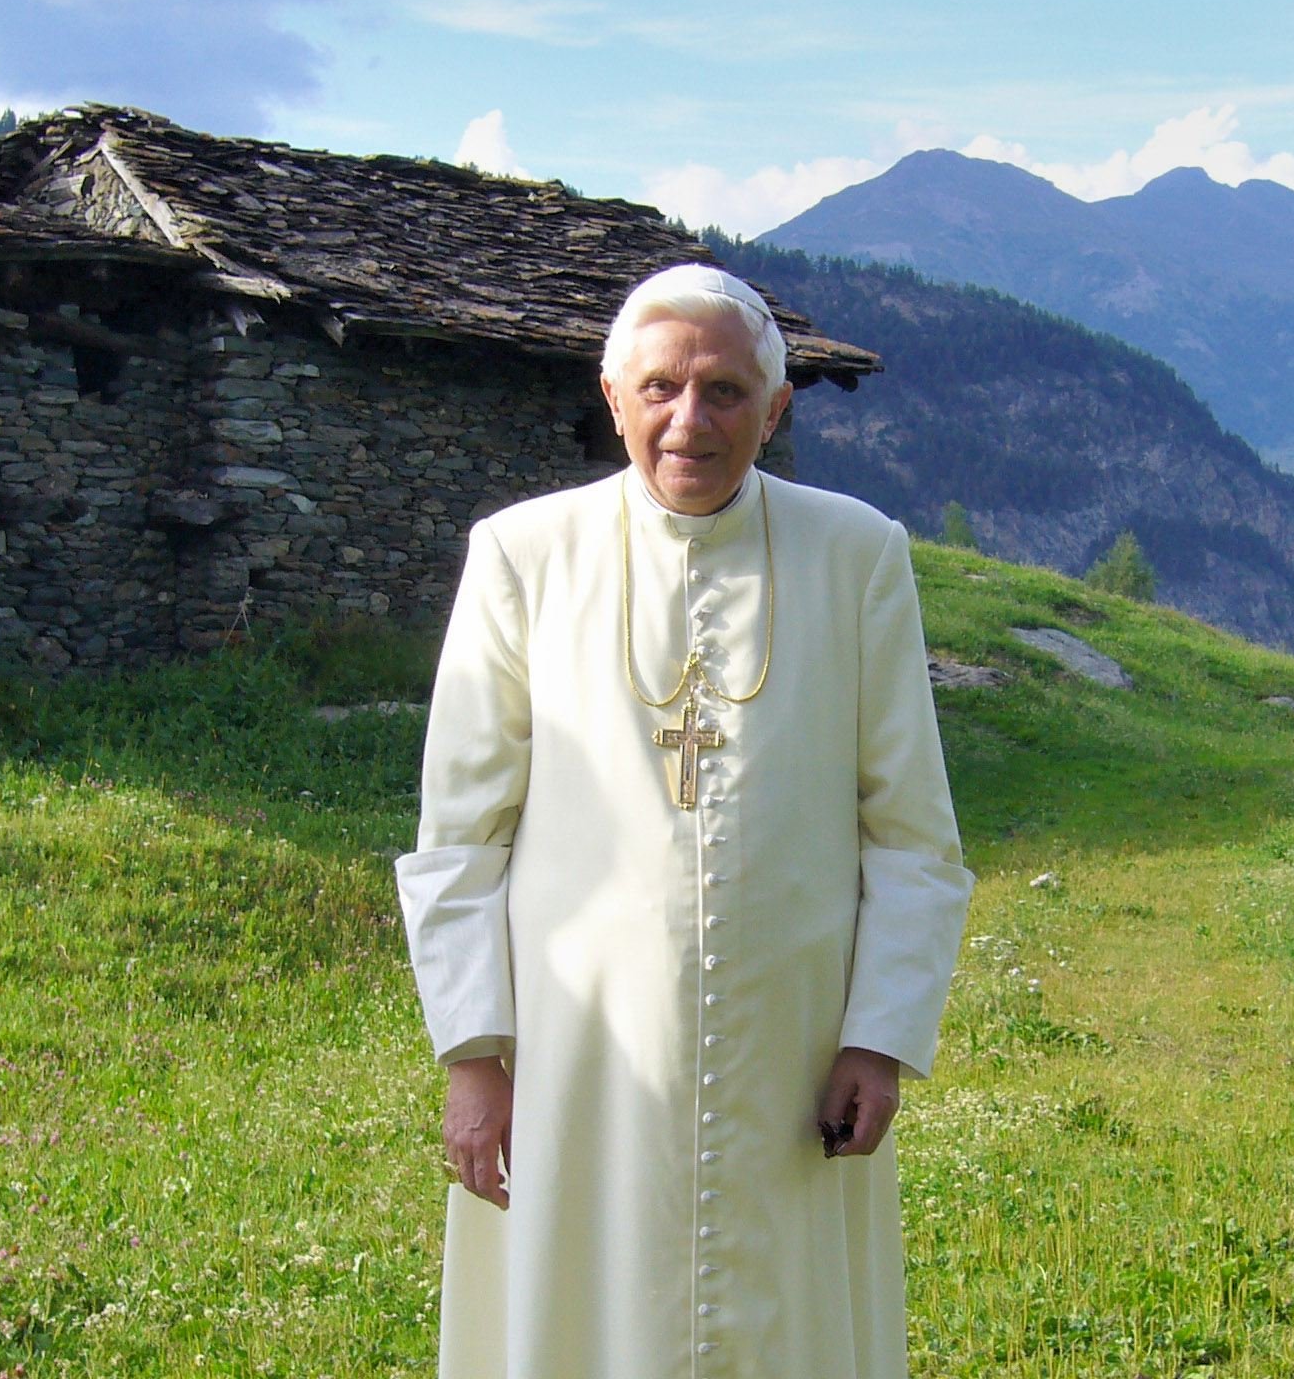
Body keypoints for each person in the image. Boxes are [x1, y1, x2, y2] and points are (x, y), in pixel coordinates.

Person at [396, 263, 975, 1378]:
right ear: (612, 398)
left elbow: (909, 830)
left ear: (778, 405)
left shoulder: (857, 555)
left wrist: (880, 1036)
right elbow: (461, 831)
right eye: (659, 387)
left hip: (794, 1040)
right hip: (580, 1049)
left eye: (723, 391)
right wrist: (474, 1057)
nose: (688, 421)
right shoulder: (523, 556)